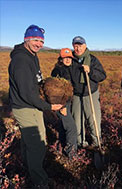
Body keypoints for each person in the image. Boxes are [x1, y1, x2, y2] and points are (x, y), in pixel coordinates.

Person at [8, 24, 63, 188]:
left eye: (41, 41)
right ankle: (40, 182)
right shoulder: (21, 61)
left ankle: (28, 168)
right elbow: (27, 93)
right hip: (26, 107)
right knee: (37, 145)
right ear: (27, 39)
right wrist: (48, 106)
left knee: (28, 141)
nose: (39, 44)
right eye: (35, 40)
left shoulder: (31, 55)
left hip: (31, 106)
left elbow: (36, 82)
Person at [62, 36, 106, 148]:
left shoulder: (92, 59)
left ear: (85, 46)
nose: (78, 48)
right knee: (77, 121)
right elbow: (64, 75)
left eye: (80, 45)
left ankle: (97, 144)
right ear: (73, 46)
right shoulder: (70, 59)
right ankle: (82, 144)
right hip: (76, 95)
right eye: (75, 46)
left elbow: (102, 76)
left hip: (90, 93)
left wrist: (90, 71)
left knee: (93, 120)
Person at [51, 48, 77, 159]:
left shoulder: (70, 69)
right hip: (62, 104)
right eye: (65, 57)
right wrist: (63, 106)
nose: (67, 60)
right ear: (60, 59)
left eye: (69, 57)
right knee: (71, 128)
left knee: (63, 125)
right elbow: (56, 92)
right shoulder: (58, 71)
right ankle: (71, 154)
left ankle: (60, 147)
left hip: (67, 102)